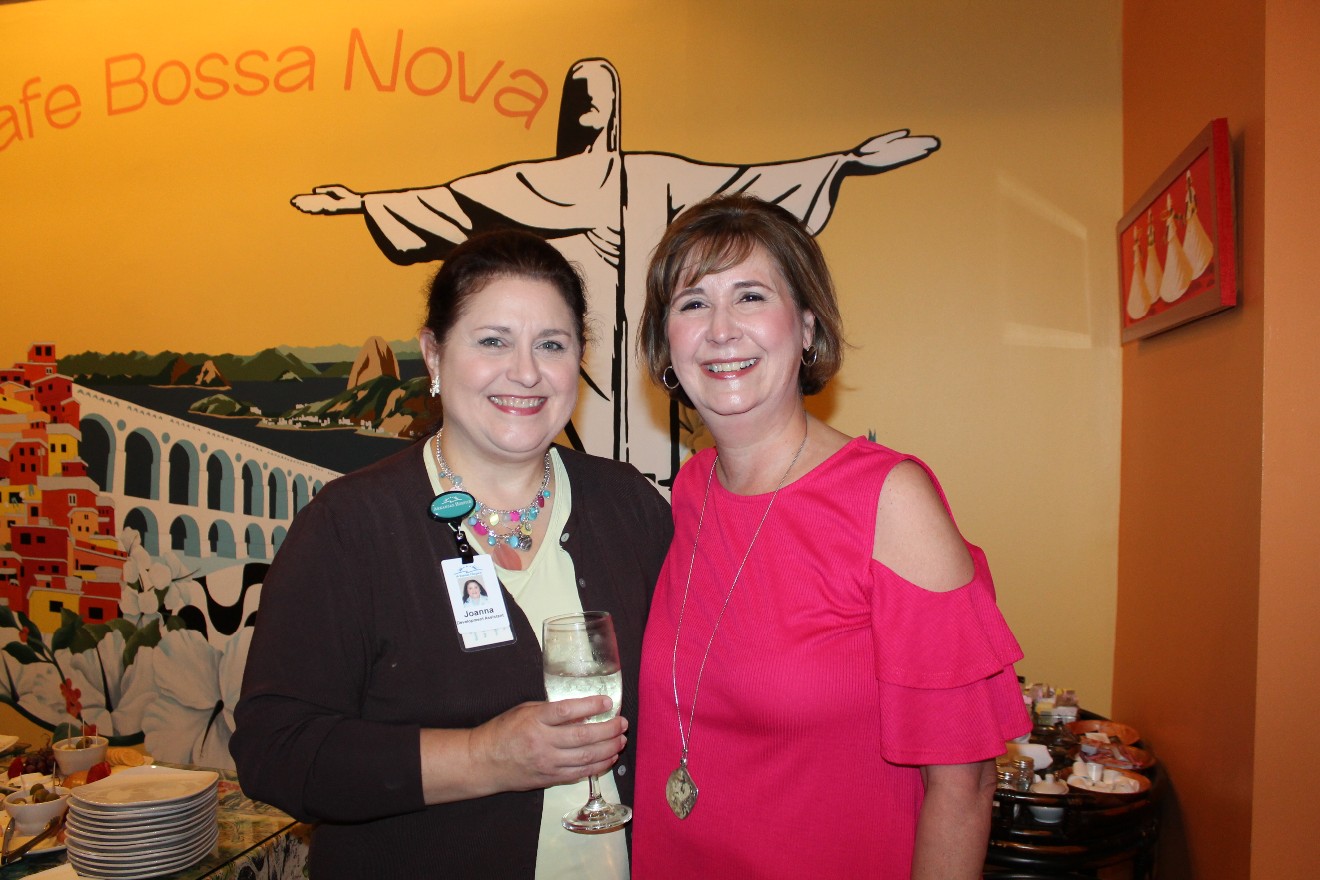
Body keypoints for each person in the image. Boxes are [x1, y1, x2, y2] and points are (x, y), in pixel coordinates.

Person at [231, 230, 673, 879]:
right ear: (434, 354)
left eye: (551, 344)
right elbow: (276, 753)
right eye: (493, 341)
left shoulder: (630, 507)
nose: (526, 372)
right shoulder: (349, 527)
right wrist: (483, 758)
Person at [290, 57, 940, 487]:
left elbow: (746, 183)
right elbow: (461, 198)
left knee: (635, 472)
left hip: (632, 358)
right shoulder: (544, 182)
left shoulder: (654, 174)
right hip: (600, 353)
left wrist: (848, 160)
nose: (590, 116)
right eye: (693, 302)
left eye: (748, 297)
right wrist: (365, 202)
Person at [630, 195, 1030, 879]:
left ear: (807, 328)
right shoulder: (693, 489)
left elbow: (964, 788)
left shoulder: (890, 501)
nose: (721, 330)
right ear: (667, 343)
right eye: (693, 303)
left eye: (750, 296)